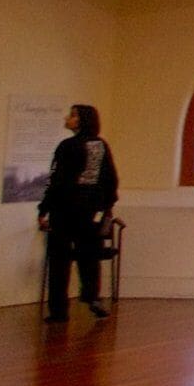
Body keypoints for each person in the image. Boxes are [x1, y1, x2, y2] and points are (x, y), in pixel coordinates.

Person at [39, 103, 119, 322]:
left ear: (81, 120)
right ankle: (92, 296)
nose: (68, 118)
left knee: (59, 260)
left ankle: (58, 310)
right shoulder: (101, 145)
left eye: (73, 115)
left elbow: (57, 180)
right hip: (90, 210)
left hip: (65, 210)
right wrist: (106, 206)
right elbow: (110, 179)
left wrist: (44, 209)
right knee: (89, 256)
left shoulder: (68, 146)